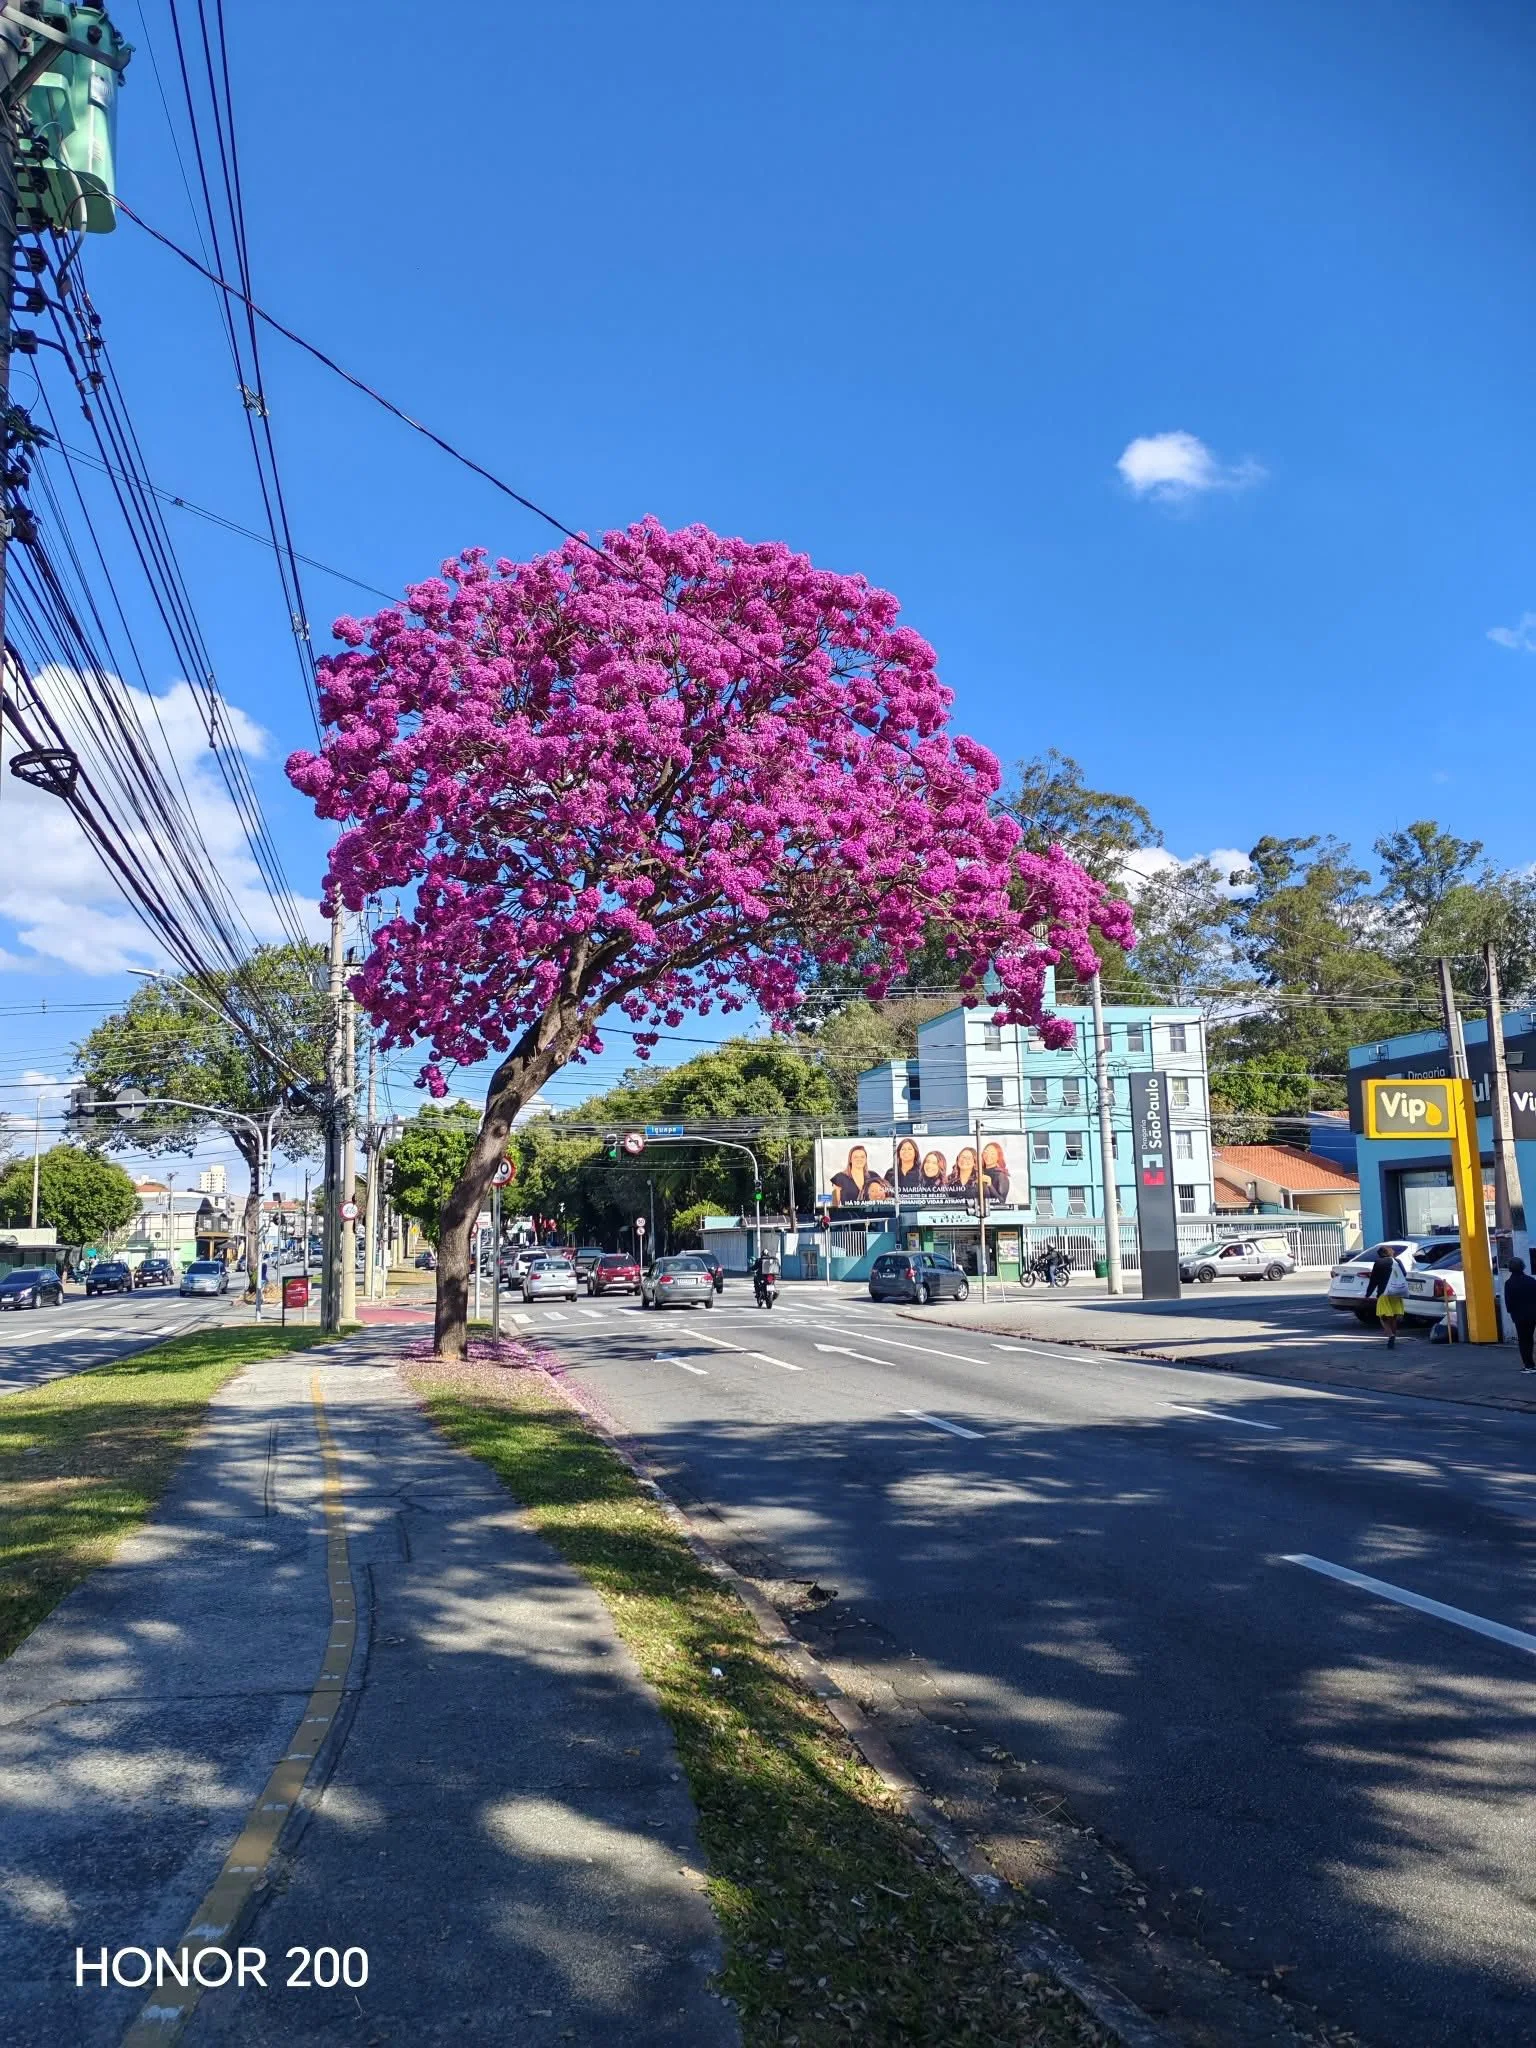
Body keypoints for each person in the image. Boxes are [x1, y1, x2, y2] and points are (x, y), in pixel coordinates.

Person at [1364, 1242, 1409, 1349]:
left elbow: (1373, 1280)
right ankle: (1393, 1336)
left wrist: (1368, 1294)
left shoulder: (1378, 1263)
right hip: (1396, 1292)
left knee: (1383, 1316)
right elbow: (1404, 1274)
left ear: (1380, 1254)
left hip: (1384, 1293)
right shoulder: (1397, 1261)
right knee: (1393, 1316)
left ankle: (1391, 1335)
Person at [1503, 1256, 1536, 1372]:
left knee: (1523, 1340)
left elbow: (1509, 1302)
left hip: (1519, 1315)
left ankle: (1528, 1365)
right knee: (1530, 1339)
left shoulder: (1509, 1283)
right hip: (1533, 1314)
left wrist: (1511, 1312)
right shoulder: (1531, 1281)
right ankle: (1531, 1364)